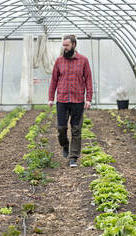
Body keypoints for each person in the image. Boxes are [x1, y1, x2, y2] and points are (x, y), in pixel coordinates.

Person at [48, 35, 93, 167]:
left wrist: (88, 99)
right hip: (62, 99)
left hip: (78, 99)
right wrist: (51, 98)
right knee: (61, 128)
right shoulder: (59, 61)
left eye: (66, 45)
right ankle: (65, 145)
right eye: (63, 45)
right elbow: (54, 80)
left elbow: (88, 80)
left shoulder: (83, 61)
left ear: (73, 44)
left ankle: (73, 157)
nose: (64, 48)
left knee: (76, 129)